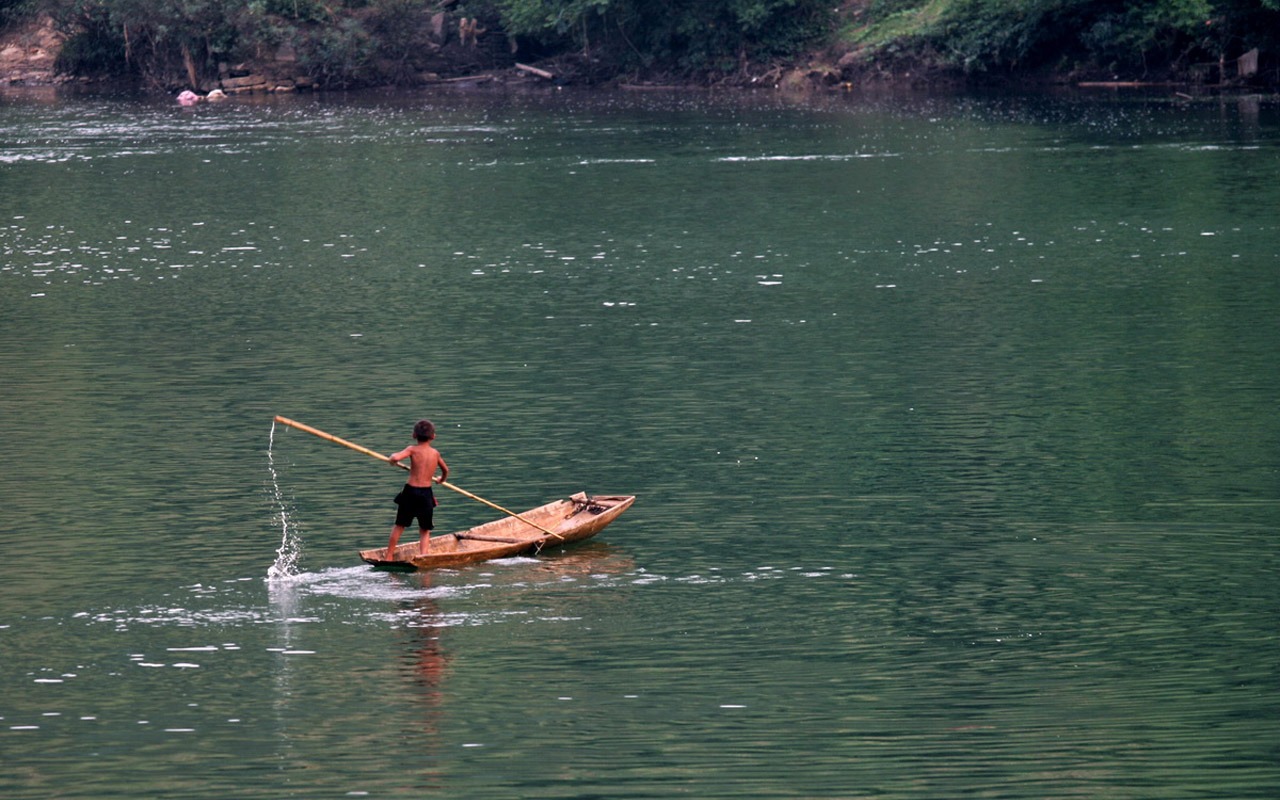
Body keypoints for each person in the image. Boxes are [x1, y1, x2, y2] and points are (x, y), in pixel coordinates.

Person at [386, 419, 449, 559]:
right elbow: (446, 470)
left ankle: (389, 556)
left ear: (414, 435)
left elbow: (396, 457)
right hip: (426, 493)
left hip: (410, 492)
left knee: (399, 525)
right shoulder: (435, 453)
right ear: (433, 436)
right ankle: (424, 556)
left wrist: (391, 460)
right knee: (425, 529)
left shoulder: (412, 449)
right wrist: (441, 480)